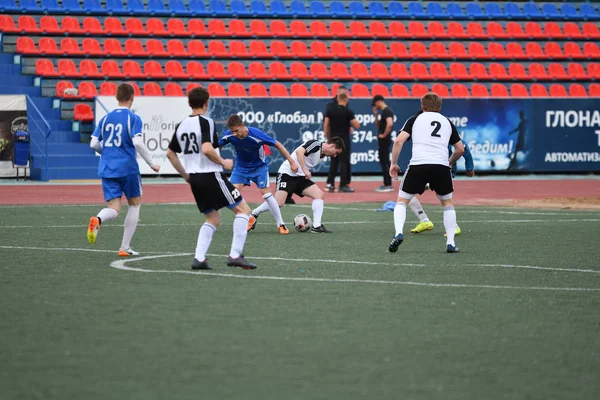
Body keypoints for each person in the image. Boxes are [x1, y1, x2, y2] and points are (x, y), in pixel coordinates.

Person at [165, 87, 256, 270]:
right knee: (243, 210)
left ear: (189, 103)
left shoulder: (182, 124)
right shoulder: (206, 122)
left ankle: (199, 259)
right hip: (210, 174)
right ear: (207, 103)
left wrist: (187, 177)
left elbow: (170, 154)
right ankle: (235, 255)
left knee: (213, 218)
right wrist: (223, 162)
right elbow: (207, 149)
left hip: (196, 179)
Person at [87, 83, 160, 256]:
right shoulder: (134, 118)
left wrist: (106, 154)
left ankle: (98, 219)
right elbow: (137, 142)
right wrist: (151, 163)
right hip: (127, 168)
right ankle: (124, 247)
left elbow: (93, 143)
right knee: (134, 204)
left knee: (113, 208)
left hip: (107, 167)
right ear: (132, 98)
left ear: (116, 98)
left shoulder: (105, 118)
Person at [388, 93, 465, 253]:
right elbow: (460, 149)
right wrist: (449, 163)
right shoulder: (447, 122)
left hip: (419, 164)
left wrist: (394, 164)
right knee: (447, 204)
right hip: (441, 166)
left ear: (422, 106)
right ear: (440, 107)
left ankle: (398, 234)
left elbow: (398, 141)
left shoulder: (415, 119)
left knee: (402, 201)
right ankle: (450, 243)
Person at [219, 114, 299, 234]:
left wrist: (292, 162)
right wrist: (217, 161)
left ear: (242, 125)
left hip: (259, 168)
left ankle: (281, 224)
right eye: (232, 131)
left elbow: (277, 144)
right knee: (230, 195)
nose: (234, 134)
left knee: (265, 193)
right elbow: (217, 146)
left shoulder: (256, 134)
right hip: (241, 168)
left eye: (236, 130)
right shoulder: (229, 135)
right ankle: (249, 217)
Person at [250, 138, 345, 233]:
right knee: (279, 203)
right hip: (287, 174)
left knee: (319, 195)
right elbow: (299, 152)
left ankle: (317, 226)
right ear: (332, 146)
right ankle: (254, 213)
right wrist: (305, 170)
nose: (335, 155)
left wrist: (303, 172)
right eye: (336, 152)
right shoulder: (316, 144)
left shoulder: (323, 155)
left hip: (300, 177)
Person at [409, 140, 475, 234]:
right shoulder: (424, 134)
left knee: (443, 196)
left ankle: (453, 226)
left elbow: (463, 147)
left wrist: (469, 167)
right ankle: (424, 221)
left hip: (444, 170)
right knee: (407, 191)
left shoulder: (445, 132)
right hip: (427, 168)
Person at [324, 91, 360, 193]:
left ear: (337, 99)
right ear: (346, 100)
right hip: (344, 140)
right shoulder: (348, 112)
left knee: (333, 162)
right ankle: (343, 185)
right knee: (344, 162)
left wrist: (328, 138)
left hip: (333, 139)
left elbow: (326, 125)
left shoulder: (330, 110)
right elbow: (357, 125)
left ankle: (330, 184)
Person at [372, 94, 395, 192]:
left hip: (385, 141)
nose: (375, 106)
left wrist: (384, 135)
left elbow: (390, 124)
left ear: (378, 102)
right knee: (383, 161)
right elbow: (378, 125)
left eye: (375, 104)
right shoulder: (383, 112)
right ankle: (386, 183)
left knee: (385, 161)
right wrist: (376, 115)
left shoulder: (387, 111)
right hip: (383, 141)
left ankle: (388, 184)